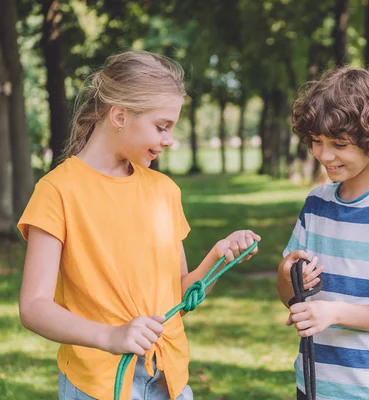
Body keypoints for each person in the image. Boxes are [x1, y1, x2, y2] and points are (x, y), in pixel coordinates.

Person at [17, 50, 260, 400]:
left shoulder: (164, 191)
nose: (169, 139)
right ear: (119, 115)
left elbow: (175, 292)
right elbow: (34, 307)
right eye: (161, 126)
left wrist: (216, 259)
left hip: (169, 378)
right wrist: (111, 336)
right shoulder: (57, 191)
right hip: (98, 384)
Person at [276, 67, 369, 400]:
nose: (324, 155)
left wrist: (334, 313)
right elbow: (289, 293)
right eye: (317, 141)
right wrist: (287, 273)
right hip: (315, 383)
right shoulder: (316, 204)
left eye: (339, 144)